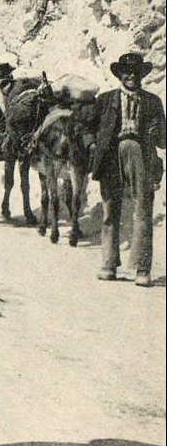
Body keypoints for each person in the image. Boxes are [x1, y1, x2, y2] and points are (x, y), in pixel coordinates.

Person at [90, 52, 165, 287]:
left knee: (143, 209)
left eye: (135, 72)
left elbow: (164, 139)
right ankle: (109, 264)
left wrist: (156, 131)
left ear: (141, 75)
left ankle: (142, 269)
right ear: (119, 74)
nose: (131, 75)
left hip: (142, 156)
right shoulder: (105, 99)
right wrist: (92, 145)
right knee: (111, 210)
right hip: (112, 156)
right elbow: (86, 127)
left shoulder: (153, 101)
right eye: (126, 71)